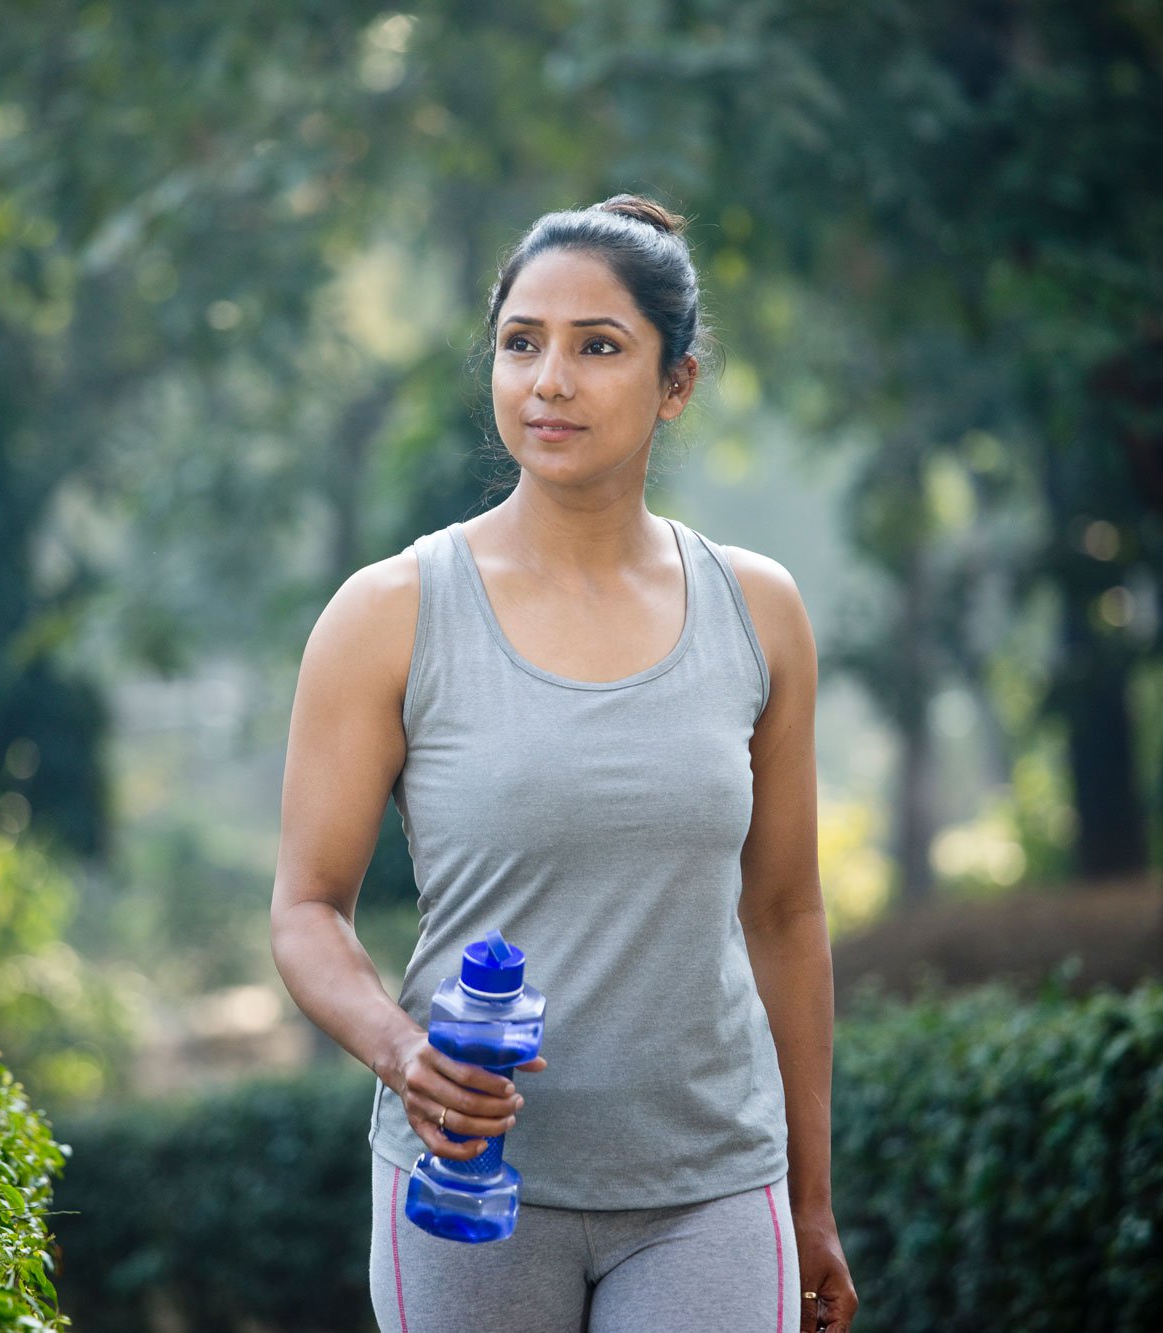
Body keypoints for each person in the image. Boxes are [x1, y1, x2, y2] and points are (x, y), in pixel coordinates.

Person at [270, 194, 859, 1333]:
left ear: (673, 385)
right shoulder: (389, 613)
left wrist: (809, 1199)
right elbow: (304, 910)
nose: (549, 379)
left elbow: (785, 914)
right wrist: (403, 1053)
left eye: (598, 347)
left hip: (710, 1190)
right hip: (465, 1188)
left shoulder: (759, 612)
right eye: (519, 341)